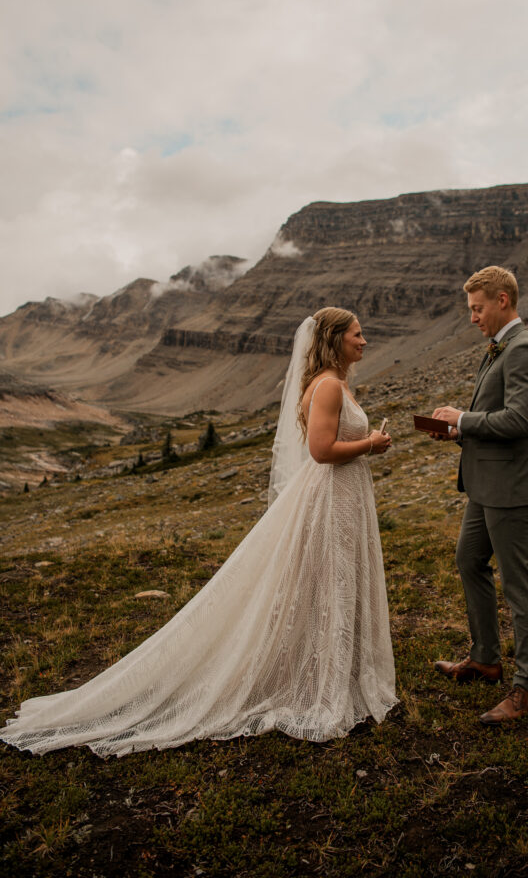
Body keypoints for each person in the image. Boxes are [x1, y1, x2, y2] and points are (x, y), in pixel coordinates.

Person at [1, 308, 397, 756]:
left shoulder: (335, 383)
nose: (365, 341)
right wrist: (372, 444)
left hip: (343, 496)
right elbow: (322, 451)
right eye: (357, 335)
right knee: (328, 582)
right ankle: (321, 685)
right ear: (334, 339)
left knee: (333, 583)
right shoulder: (327, 386)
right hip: (331, 495)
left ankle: (333, 674)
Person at [431, 266, 528, 724]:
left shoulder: (525, 350)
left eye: (478, 309)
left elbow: (520, 421)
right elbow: (492, 418)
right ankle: (485, 658)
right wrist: (458, 431)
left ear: (503, 300)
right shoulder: (499, 348)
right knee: (468, 560)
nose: (473, 318)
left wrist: (464, 418)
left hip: (511, 488)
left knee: (520, 586)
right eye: (470, 310)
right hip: (485, 486)